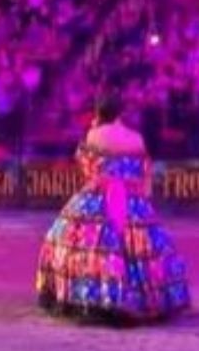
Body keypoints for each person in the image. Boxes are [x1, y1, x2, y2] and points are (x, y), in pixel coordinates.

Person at [36, 94, 190, 324]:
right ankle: (144, 297)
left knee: (79, 241)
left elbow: (87, 168)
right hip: (132, 201)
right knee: (145, 248)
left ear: (99, 113)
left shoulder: (94, 135)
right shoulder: (136, 138)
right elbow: (143, 171)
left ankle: (96, 297)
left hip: (98, 197)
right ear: (120, 113)